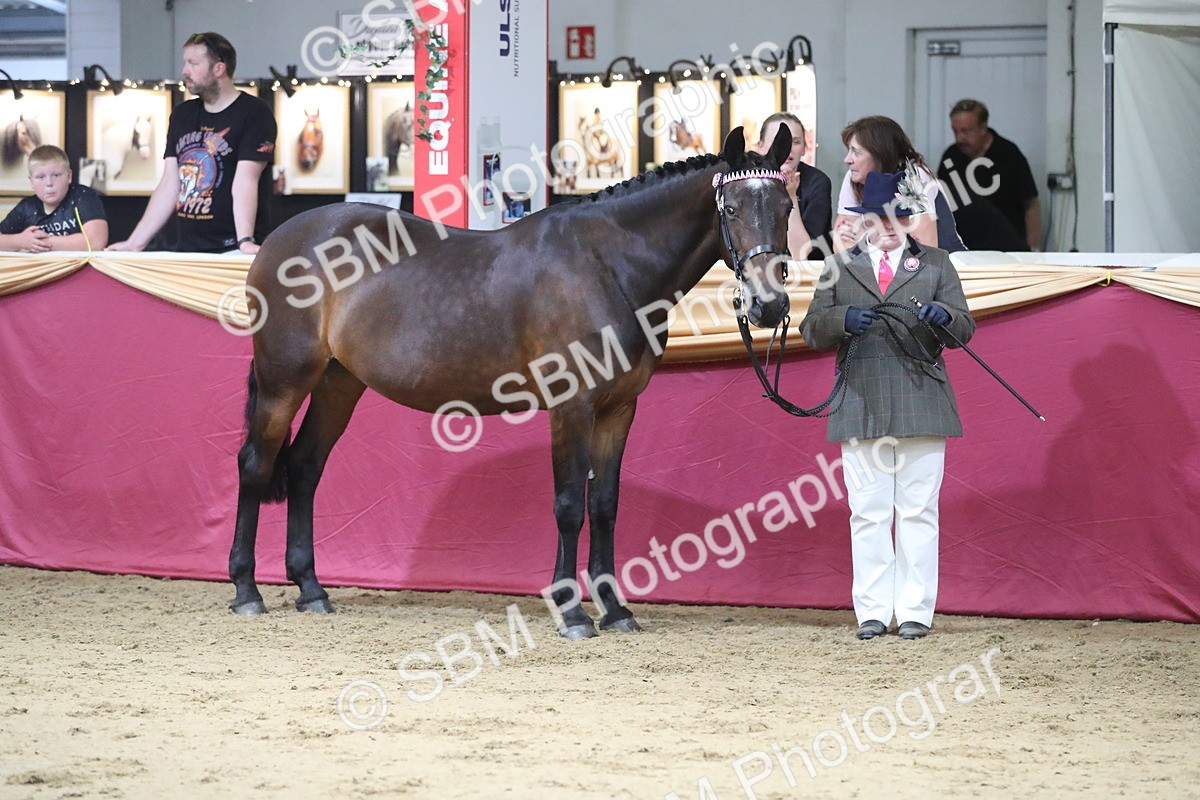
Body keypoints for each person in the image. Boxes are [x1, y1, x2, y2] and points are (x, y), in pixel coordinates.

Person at [800, 170, 975, 641]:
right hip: (861, 400)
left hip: (922, 399)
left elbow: (965, 329)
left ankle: (915, 610)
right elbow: (811, 329)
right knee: (869, 512)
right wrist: (841, 319)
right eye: (881, 216)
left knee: (919, 510)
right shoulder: (839, 267)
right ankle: (873, 611)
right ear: (865, 220)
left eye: (900, 214)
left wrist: (946, 318)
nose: (892, 224)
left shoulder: (937, 263)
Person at [107, 32, 276, 255]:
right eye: (185, 62)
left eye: (193, 63)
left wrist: (244, 240)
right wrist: (135, 242)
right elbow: (169, 184)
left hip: (231, 249)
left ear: (218, 69)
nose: (184, 71)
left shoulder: (254, 112)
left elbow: (246, 180)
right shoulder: (182, 114)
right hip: (184, 247)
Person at [834, 116, 965, 254]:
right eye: (849, 150)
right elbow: (840, 247)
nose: (847, 159)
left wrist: (862, 239)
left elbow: (923, 250)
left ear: (879, 154)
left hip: (950, 265)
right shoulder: (854, 177)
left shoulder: (914, 176)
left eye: (856, 152)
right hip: (880, 268)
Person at [937, 99, 1040, 251]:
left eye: (967, 131)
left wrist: (1033, 249)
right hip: (965, 249)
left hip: (1007, 248)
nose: (960, 138)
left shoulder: (1009, 155)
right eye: (955, 131)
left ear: (983, 127)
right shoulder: (951, 157)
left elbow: (1030, 204)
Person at [752, 112, 832, 259]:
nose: (787, 147)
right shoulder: (751, 183)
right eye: (778, 141)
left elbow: (801, 253)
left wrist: (790, 195)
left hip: (809, 273)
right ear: (761, 147)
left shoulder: (818, 182)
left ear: (804, 148)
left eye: (795, 142)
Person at [0, 145, 108, 252]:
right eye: (41, 177)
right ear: (31, 182)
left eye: (56, 175)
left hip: (79, 267)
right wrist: (19, 241)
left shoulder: (83, 196)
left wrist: (37, 242)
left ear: (69, 176)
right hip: (41, 268)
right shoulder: (27, 207)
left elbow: (96, 242)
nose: (49, 183)